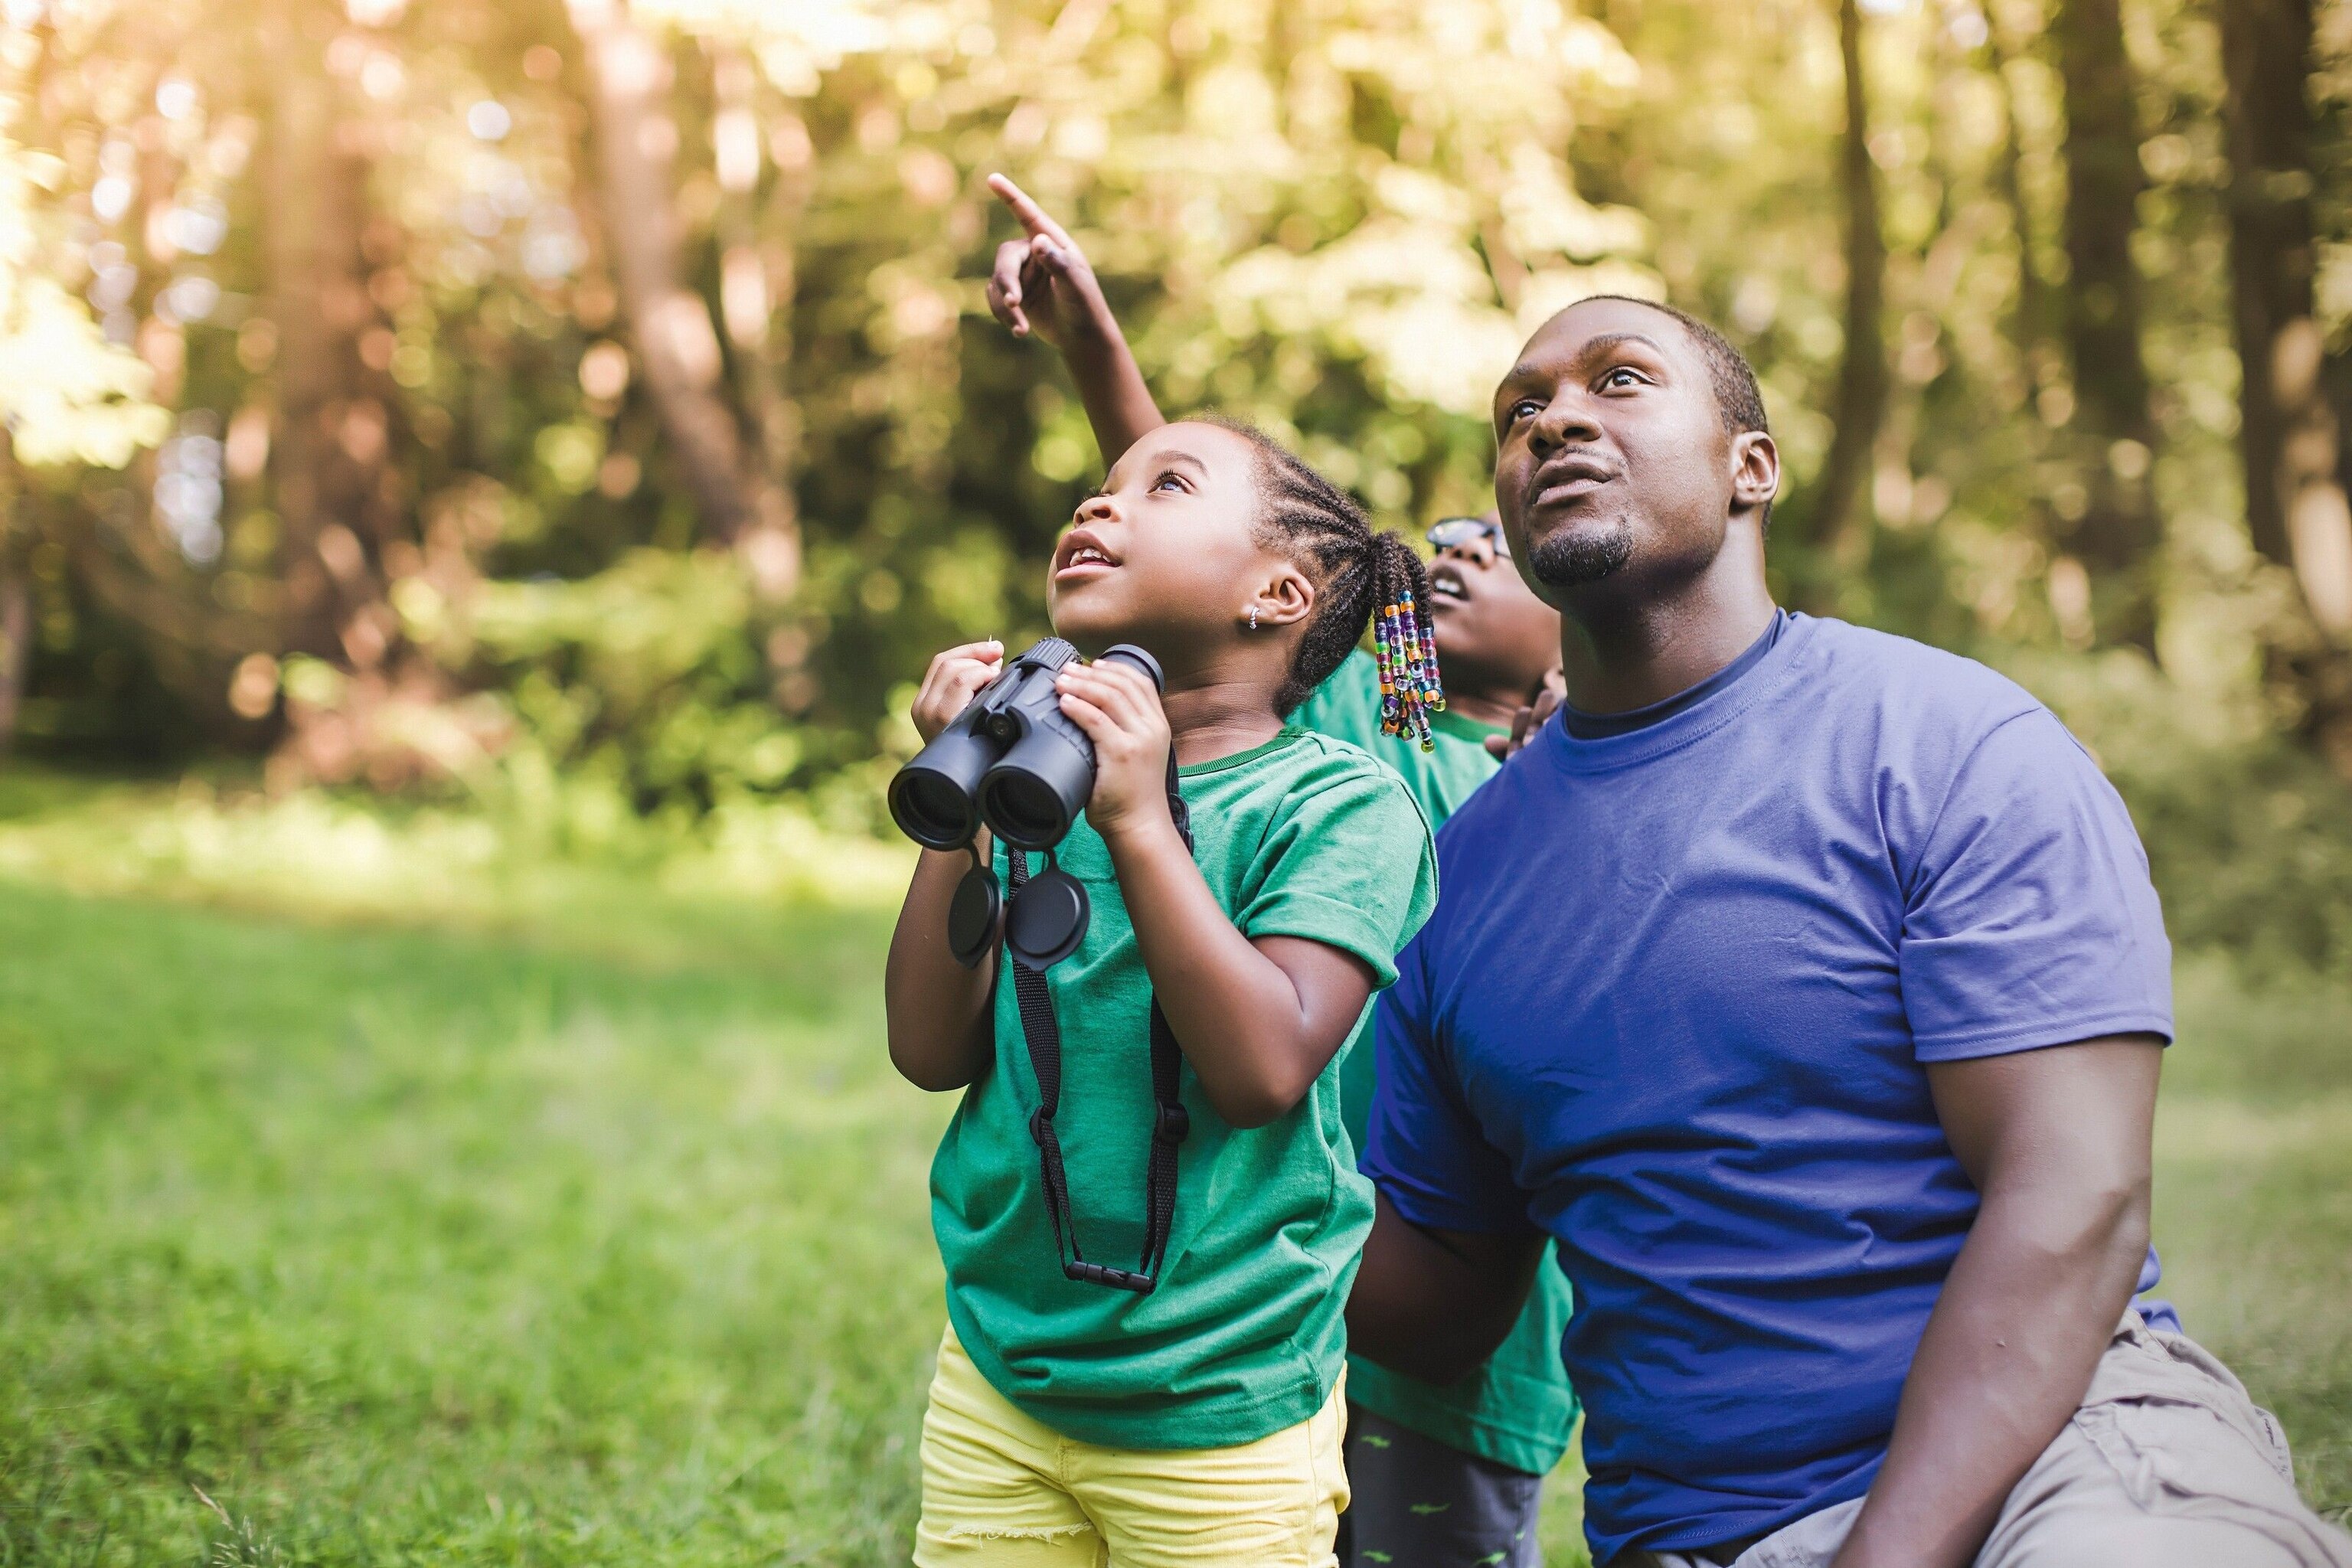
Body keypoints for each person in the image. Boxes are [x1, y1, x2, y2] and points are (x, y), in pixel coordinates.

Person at [1345, 292, 2352, 1568]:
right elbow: (1443, 1306)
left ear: (1751, 467)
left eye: (1621, 380)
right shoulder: (1460, 877)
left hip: (2063, 1459)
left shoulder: (1947, 744)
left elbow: (2075, 1198)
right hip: (1701, 1534)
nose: (1554, 423)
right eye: (1520, 412)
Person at [985, 173, 1581, 1568]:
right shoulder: (1366, 722)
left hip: (1452, 1314)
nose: (1459, 549)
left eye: (1499, 551)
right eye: (1446, 541)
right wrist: (1095, 350)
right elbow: (1210, 561)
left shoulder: (1568, 787)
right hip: (1269, 1262)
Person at [885, 411, 1442, 1566]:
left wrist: (1140, 819)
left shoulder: (1338, 806)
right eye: (1103, 483)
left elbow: (1261, 1071)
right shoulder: (1035, 779)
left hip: (1219, 1399)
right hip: (1004, 1369)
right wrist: (959, 811)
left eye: (1167, 485)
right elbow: (929, 1051)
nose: (1098, 503)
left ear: (1278, 595)